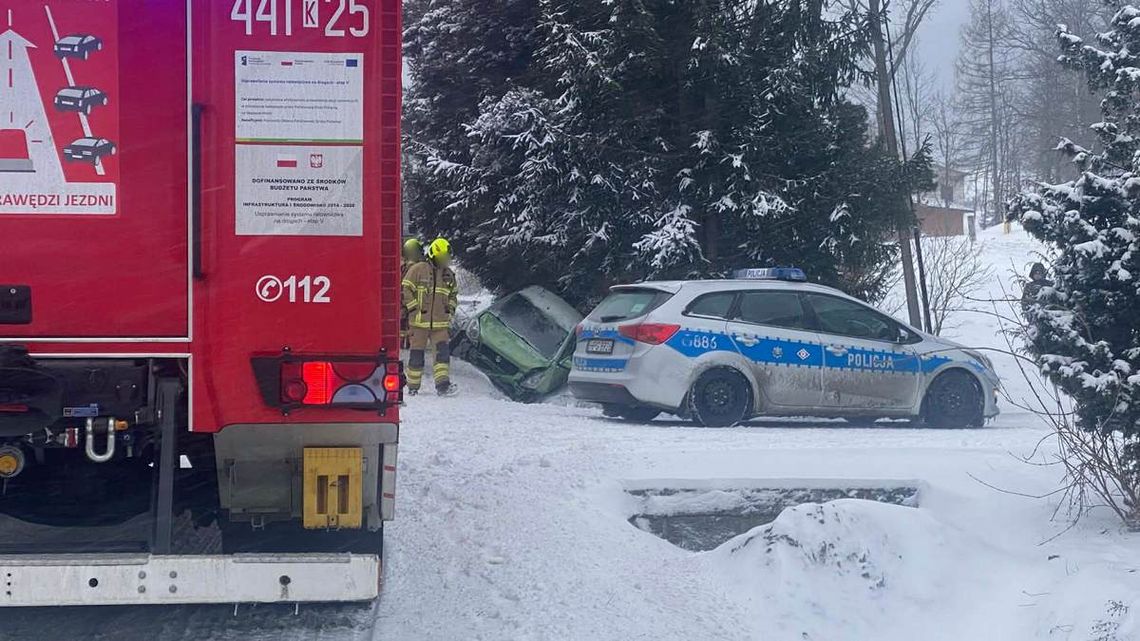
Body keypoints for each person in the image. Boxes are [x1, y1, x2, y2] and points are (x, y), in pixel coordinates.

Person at [401, 237, 459, 396]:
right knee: (416, 356)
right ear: (433, 255)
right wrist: (413, 308)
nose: (444, 261)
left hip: (440, 325)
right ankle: (413, 387)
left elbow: (453, 295)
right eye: (441, 258)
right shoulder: (418, 269)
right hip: (419, 323)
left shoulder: (448, 275)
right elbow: (405, 289)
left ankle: (443, 386)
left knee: (442, 356)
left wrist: (450, 310)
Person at [399, 237, 424, 348]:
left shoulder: (406, 267)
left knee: (405, 322)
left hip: (407, 300)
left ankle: (405, 343)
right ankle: (407, 342)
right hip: (409, 300)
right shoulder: (419, 267)